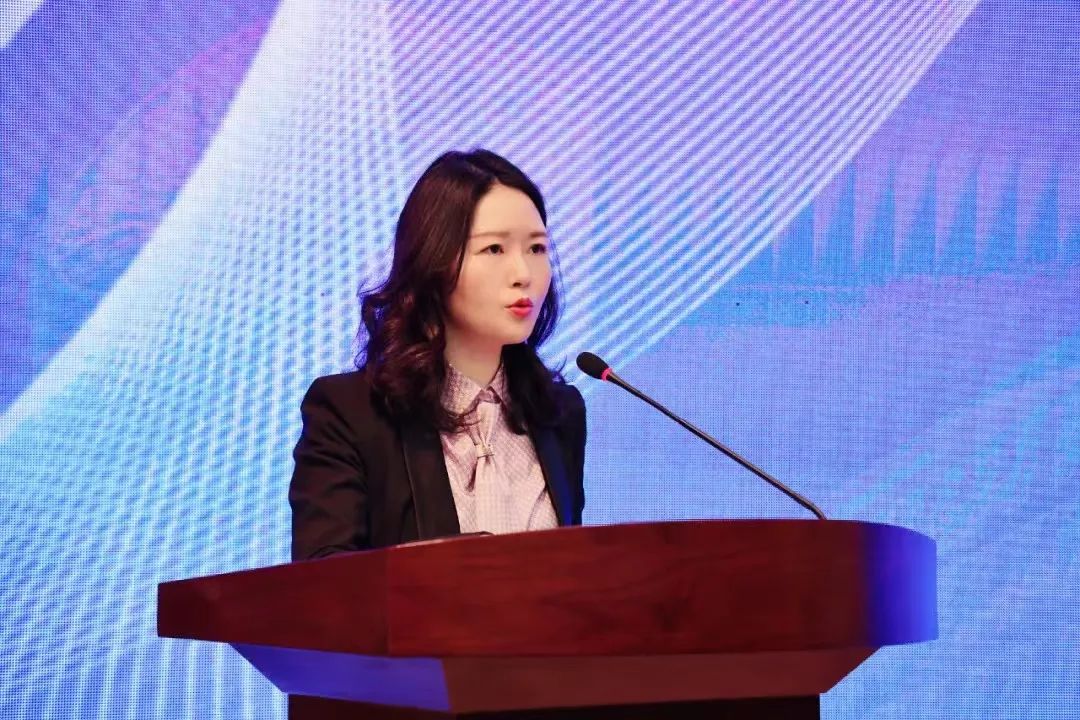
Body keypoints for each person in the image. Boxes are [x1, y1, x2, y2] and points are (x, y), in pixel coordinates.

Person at [289, 149, 586, 560]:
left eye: (536, 248)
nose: (524, 274)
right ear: (434, 260)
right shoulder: (350, 413)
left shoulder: (559, 413)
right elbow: (325, 579)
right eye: (494, 249)